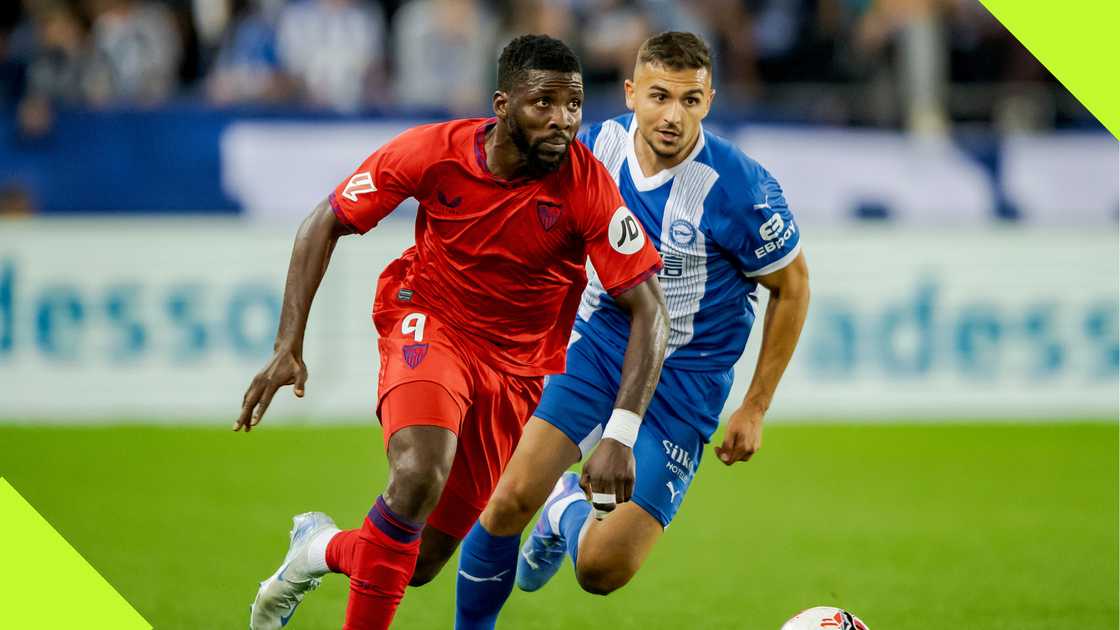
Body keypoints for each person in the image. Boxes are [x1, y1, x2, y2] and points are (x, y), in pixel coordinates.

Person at [235, 34, 669, 630]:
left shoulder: (586, 184)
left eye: (573, 107)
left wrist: (620, 434)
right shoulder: (433, 152)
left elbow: (650, 309)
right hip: (429, 318)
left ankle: (318, 547)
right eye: (544, 103)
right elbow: (324, 222)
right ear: (502, 105)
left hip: (515, 371)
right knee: (417, 473)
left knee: (415, 563)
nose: (563, 121)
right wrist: (288, 345)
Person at [453, 31, 810, 629]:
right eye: (659, 96)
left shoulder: (741, 190)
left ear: (710, 100)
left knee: (602, 568)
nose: (673, 116)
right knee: (507, 499)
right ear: (630, 94)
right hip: (601, 347)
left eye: (690, 101)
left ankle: (565, 510)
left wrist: (756, 405)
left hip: (686, 383)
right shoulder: (594, 147)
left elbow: (792, 287)